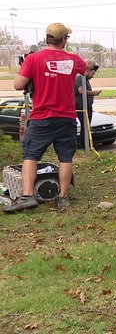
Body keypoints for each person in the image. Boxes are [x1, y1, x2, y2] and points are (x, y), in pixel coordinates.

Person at [3, 23, 87, 213]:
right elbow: (85, 68)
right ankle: (63, 198)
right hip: (66, 117)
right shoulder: (73, 60)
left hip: (42, 117)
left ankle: (27, 196)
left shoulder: (33, 59)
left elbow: (18, 85)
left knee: (30, 156)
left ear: (47, 38)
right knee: (65, 157)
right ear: (64, 39)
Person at [75, 59, 101, 148]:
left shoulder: (85, 78)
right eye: (92, 73)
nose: (93, 76)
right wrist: (93, 93)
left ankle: (87, 144)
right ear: (87, 71)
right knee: (85, 126)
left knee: (87, 125)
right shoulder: (79, 77)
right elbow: (81, 91)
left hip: (87, 105)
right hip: (81, 105)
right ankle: (85, 145)